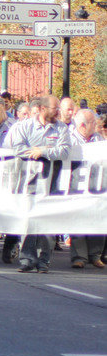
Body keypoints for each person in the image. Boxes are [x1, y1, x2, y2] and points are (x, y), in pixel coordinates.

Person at [5, 95, 71, 273]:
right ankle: (27, 259)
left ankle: (44, 261)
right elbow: (17, 148)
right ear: (42, 109)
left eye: (58, 108)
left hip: (51, 183)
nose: (58, 111)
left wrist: (43, 151)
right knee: (28, 222)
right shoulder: (24, 126)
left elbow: (64, 150)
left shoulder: (61, 128)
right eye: (54, 108)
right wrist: (32, 152)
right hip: (29, 182)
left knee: (47, 225)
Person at [68, 109, 105, 269]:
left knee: (99, 218)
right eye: (93, 123)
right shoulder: (70, 139)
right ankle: (79, 256)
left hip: (97, 185)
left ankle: (95, 255)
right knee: (78, 220)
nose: (96, 125)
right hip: (76, 184)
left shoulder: (98, 139)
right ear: (83, 125)